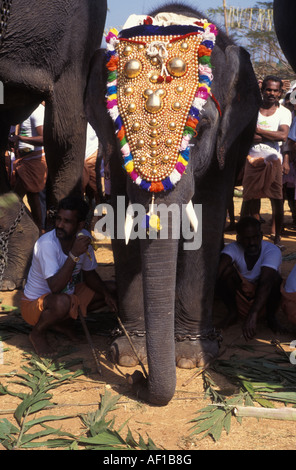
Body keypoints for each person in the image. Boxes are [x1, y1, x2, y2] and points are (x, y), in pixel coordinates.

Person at [20, 195, 118, 357]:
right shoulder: (47, 244)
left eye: (67, 221)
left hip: (68, 297)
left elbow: (89, 275)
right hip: (36, 306)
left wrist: (107, 295)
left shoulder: (83, 238)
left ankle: (61, 324)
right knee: (62, 302)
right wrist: (74, 255)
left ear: (80, 225)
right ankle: (37, 333)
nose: (59, 225)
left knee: (112, 288)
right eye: (58, 219)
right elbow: (55, 287)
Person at [241, 76, 292, 248]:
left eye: (275, 90)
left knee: (276, 199)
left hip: (274, 162)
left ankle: (277, 236)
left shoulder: (284, 112)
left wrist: (258, 131)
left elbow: (283, 135)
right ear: (262, 91)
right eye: (268, 89)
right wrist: (269, 134)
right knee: (251, 199)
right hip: (252, 159)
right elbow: (247, 136)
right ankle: (258, 235)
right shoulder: (252, 109)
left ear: (280, 93)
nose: (271, 93)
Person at [216, 216, 282, 340]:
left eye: (255, 237)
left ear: (261, 236)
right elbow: (218, 272)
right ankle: (232, 312)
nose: (252, 243)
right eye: (246, 239)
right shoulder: (232, 248)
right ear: (238, 238)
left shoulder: (272, 251)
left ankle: (271, 316)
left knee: (274, 278)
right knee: (226, 271)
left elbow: (266, 283)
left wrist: (253, 314)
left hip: (263, 300)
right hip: (241, 298)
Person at [8, 103, 48, 235]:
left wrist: (20, 138)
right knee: (32, 198)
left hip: (34, 161)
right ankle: (38, 230)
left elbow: (44, 139)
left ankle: (37, 231)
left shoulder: (37, 110)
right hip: (24, 161)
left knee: (15, 199)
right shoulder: (22, 112)